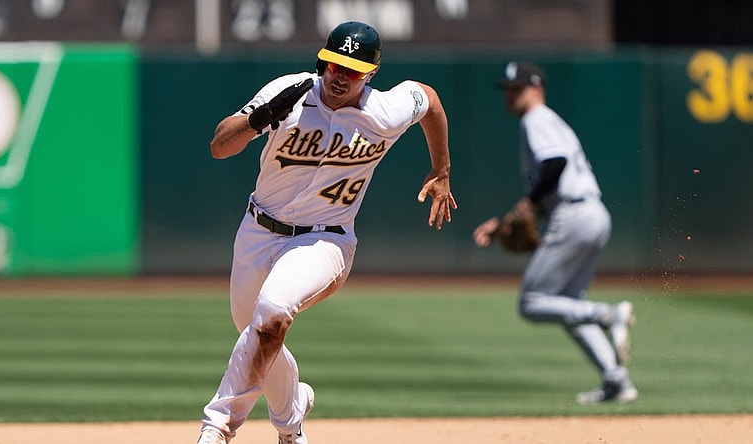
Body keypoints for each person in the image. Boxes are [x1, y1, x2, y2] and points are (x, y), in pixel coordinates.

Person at [198, 21, 457, 444]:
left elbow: (429, 100)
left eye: (352, 70)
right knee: (259, 331)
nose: (340, 76)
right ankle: (293, 418)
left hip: (325, 239)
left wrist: (442, 170)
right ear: (323, 60)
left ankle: (217, 427)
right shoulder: (291, 93)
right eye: (334, 65)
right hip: (257, 231)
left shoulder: (385, 111)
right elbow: (219, 146)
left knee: (274, 308)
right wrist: (260, 118)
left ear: (371, 73)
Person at [472, 61, 637, 404]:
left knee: (533, 303)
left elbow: (555, 164)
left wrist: (529, 204)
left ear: (537, 89)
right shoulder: (549, 122)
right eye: (508, 89)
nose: (511, 95)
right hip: (591, 213)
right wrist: (505, 225)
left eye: (517, 88)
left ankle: (608, 314)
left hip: (574, 214)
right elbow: (548, 186)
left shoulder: (536, 119)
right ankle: (616, 380)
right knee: (567, 305)